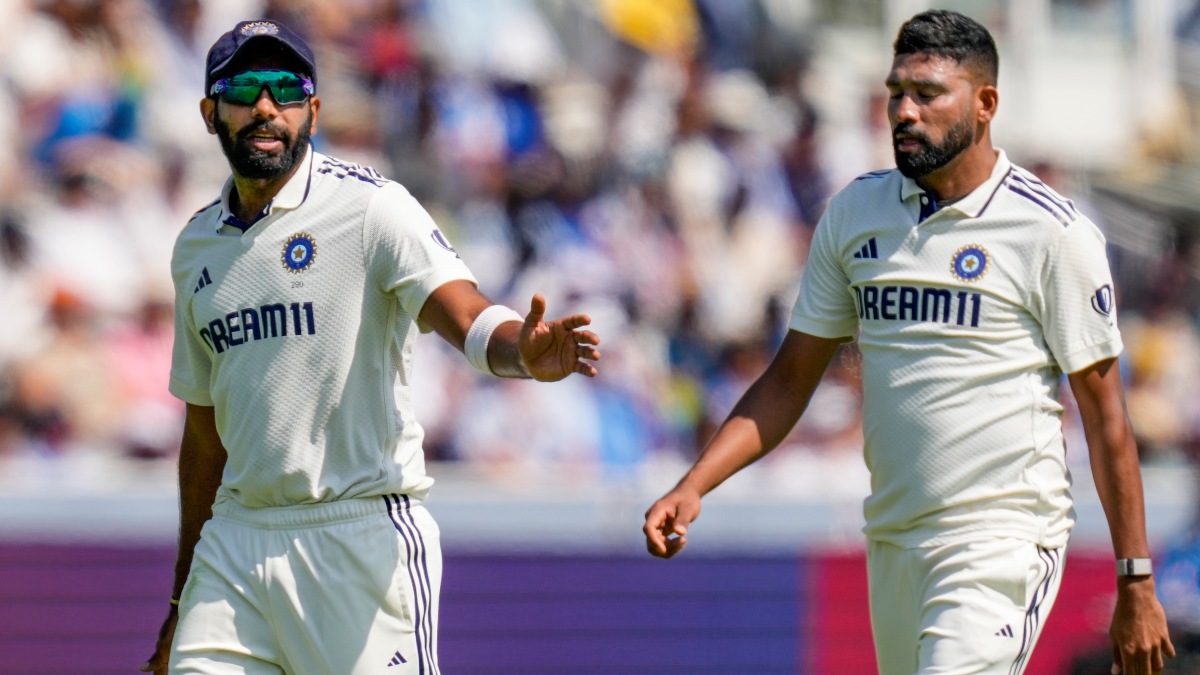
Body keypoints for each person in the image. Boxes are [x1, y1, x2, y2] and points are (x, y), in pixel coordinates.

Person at [643, 10, 1174, 675]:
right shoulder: (855, 213)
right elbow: (789, 380)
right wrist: (695, 485)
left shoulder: (1051, 232)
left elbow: (1106, 417)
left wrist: (1135, 578)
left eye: (927, 94)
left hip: (1002, 541)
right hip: (894, 540)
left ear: (984, 104)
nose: (904, 111)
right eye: (896, 92)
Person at [140, 19, 600, 675]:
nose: (266, 107)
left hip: (356, 537)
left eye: (286, 89)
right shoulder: (195, 246)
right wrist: (181, 596)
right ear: (210, 112)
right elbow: (204, 432)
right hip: (236, 545)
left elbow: (464, 312)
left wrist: (520, 352)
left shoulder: (371, 208)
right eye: (244, 89)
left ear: (313, 110)